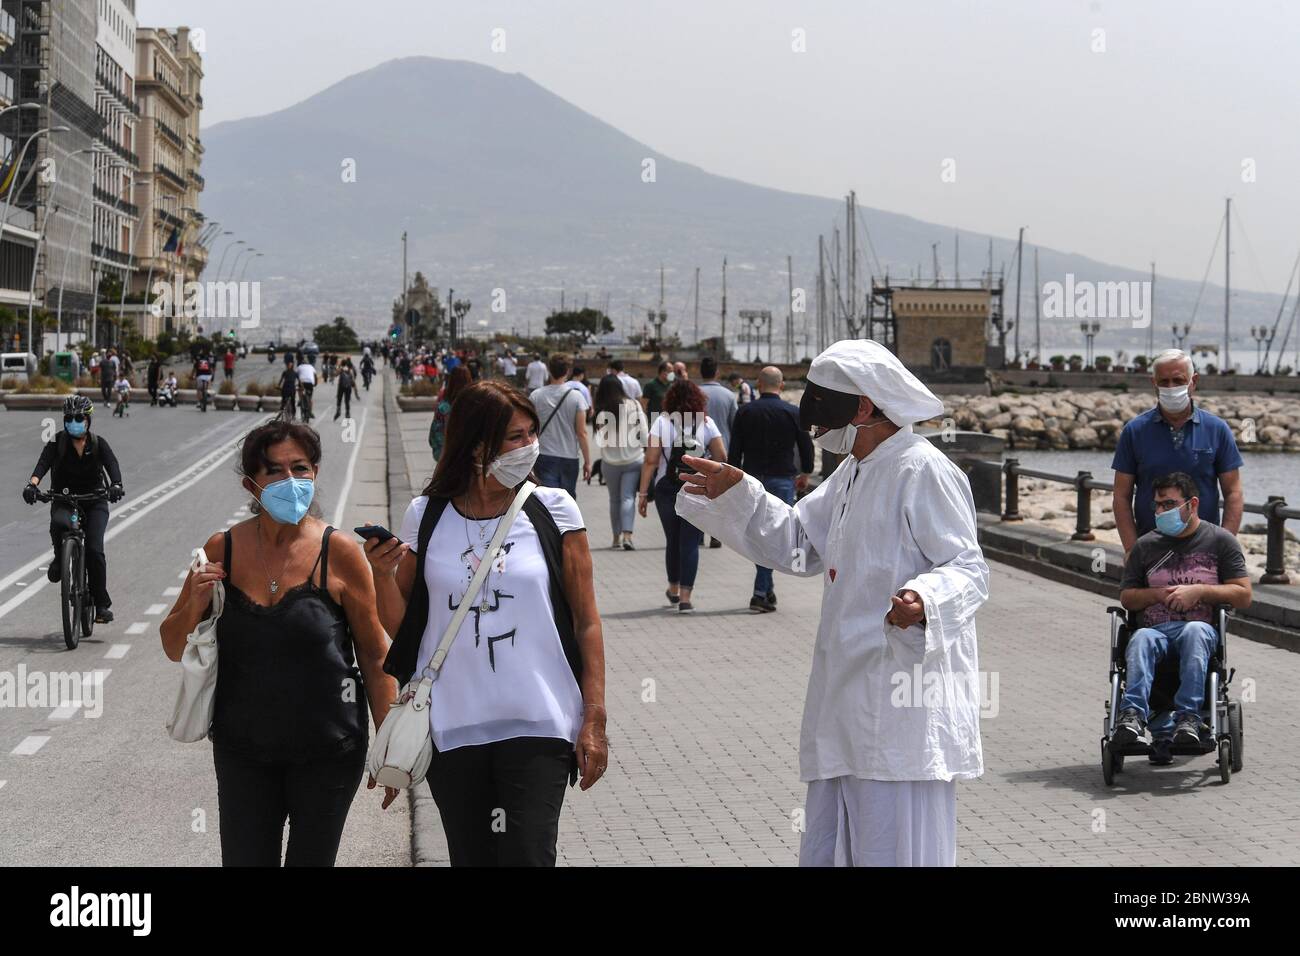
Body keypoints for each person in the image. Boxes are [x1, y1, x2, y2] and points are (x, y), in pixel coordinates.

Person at [675, 339, 988, 866]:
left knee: (894, 844)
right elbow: (799, 543)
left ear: (863, 407)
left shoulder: (922, 469)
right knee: (836, 841)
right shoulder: (852, 472)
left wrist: (924, 599)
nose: (811, 420)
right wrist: (738, 493)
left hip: (899, 702)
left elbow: (968, 568)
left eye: (821, 403)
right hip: (846, 697)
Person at [364, 380, 608, 867]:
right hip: (455, 726)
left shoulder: (555, 509)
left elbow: (586, 622)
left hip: (541, 723)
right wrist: (381, 572)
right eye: (514, 438)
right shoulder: (426, 515)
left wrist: (594, 717)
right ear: (476, 446)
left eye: (530, 433)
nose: (528, 447)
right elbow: (407, 628)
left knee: (528, 856)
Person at [160, 419, 400, 866]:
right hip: (243, 751)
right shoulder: (222, 549)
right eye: (275, 471)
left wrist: (391, 742)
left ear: (316, 472)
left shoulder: (341, 552)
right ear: (253, 484)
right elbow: (173, 645)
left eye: (300, 468)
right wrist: (193, 601)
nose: (290, 481)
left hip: (329, 751)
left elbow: (373, 652)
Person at [1114, 472, 1252, 760]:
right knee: (1140, 638)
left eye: (1169, 504)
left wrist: (1200, 591)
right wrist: (1158, 595)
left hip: (1198, 630)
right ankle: (1132, 717)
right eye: (1157, 505)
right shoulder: (1145, 546)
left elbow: (1243, 594)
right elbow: (1127, 597)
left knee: (1194, 631)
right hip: (1156, 630)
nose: (1161, 511)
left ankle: (1188, 718)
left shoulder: (1220, 541)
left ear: (1192, 504)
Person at [1113, 349, 1243, 559]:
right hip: (1150, 549)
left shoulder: (1217, 429)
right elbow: (1121, 495)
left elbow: (1233, 492)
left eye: (1178, 380)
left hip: (1205, 551)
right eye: (1164, 381)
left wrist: (1226, 545)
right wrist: (1131, 549)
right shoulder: (1134, 431)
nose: (1171, 387)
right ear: (1153, 383)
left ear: (1193, 381)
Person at [22, 395, 124, 623]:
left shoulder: (98, 443)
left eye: (79, 418)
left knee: (95, 551)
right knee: (58, 524)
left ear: (87, 420)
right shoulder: (57, 443)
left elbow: (112, 464)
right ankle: (60, 559)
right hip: (64, 498)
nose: (73, 422)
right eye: (69, 418)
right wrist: (32, 485)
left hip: (95, 499)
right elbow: (42, 465)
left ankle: (100, 604)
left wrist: (116, 485)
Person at [728, 366, 815, 612]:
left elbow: (735, 450)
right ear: (782, 385)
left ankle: (764, 589)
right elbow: (806, 446)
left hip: (752, 480)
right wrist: (806, 472)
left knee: (757, 534)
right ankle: (761, 591)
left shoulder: (745, 412)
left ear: (757, 384)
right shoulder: (792, 412)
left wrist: (732, 479)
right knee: (775, 534)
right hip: (782, 479)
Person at [637, 379, 726, 613]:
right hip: (696, 486)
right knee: (690, 542)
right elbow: (722, 455)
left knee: (672, 540)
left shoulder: (661, 422)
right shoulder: (706, 423)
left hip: (667, 487)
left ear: (670, 398)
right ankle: (686, 597)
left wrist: (643, 493)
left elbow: (651, 460)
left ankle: (673, 589)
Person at [593, 374, 647, 550]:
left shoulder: (601, 411)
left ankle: (615, 538)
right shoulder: (635, 405)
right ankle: (627, 536)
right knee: (628, 497)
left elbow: (600, 440)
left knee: (614, 499)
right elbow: (645, 434)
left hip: (610, 462)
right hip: (634, 459)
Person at [530, 354, 592, 496]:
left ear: (549, 370)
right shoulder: (577, 397)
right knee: (567, 501)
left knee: (547, 501)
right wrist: (587, 461)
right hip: (569, 456)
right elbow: (582, 433)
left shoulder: (535, 396)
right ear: (567, 372)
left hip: (544, 455)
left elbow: (530, 430)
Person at [429, 366, 471, 461]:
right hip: (466, 453)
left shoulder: (443, 403)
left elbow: (435, 429)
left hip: (443, 453)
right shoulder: (474, 402)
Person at [296, 355, 317, 422]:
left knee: (300, 390)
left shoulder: (299, 367)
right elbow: (315, 376)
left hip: (302, 383)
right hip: (310, 384)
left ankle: (300, 400)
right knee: (310, 398)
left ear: (302, 362)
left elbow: (296, 375)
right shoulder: (311, 367)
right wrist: (315, 383)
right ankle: (310, 412)